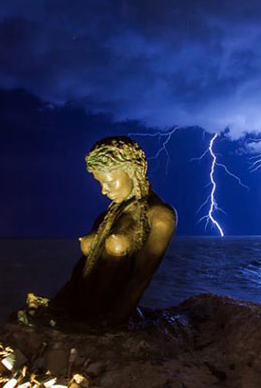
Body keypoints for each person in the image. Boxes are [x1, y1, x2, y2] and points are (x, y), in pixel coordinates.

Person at [50, 136, 177, 327]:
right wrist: (57, 307)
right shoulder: (106, 217)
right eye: (100, 183)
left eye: (109, 183)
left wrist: (112, 323)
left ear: (132, 172)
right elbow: (81, 274)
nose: (103, 191)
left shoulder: (159, 215)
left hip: (111, 318)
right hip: (75, 309)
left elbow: (140, 279)